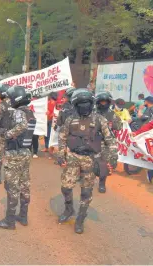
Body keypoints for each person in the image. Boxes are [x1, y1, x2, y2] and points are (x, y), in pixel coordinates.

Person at [56, 89, 118, 234]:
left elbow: (110, 140)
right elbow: (62, 137)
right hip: (73, 157)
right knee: (66, 187)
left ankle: (80, 219)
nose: (84, 106)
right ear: (76, 105)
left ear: (91, 103)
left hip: (91, 159)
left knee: (86, 191)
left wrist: (112, 159)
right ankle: (69, 208)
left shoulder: (99, 120)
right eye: (81, 103)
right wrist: (61, 154)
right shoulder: (70, 119)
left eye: (87, 103)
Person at [0, 86, 36, 230]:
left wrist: (7, 134)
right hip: (25, 153)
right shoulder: (29, 112)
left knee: (12, 186)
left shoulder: (18, 112)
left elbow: (22, 126)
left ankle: (9, 221)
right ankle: (23, 216)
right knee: (24, 185)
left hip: (15, 153)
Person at [94, 92, 122, 193]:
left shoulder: (112, 114)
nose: (103, 103)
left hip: (106, 143)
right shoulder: (93, 113)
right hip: (93, 141)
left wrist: (112, 124)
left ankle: (102, 184)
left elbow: (119, 126)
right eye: (102, 101)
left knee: (104, 164)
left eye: (105, 101)